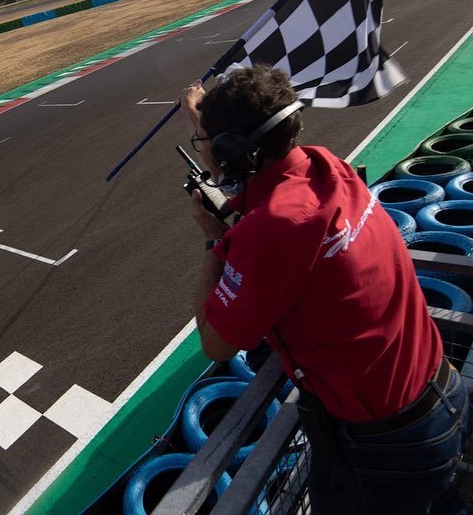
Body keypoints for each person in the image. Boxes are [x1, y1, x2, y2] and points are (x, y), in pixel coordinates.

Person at [179, 64, 471, 515]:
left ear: (234, 150)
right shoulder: (326, 166)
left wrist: (213, 240)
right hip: (440, 396)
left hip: (384, 448)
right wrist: (211, 130)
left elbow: (216, 344)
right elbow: (262, 188)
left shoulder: (271, 231)